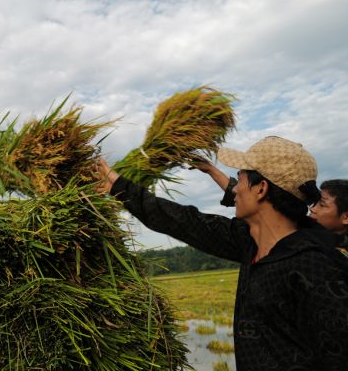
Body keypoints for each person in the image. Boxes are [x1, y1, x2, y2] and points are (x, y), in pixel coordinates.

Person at [97, 136, 348, 371]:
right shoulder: (248, 241)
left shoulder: (319, 269)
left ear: (261, 189)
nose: (235, 190)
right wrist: (117, 185)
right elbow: (182, 220)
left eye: (239, 180)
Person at [195, 160, 348, 254]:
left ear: (346, 217)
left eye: (322, 204)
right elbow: (245, 194)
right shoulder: (300, 231)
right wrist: (210, 169)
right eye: (315, 203)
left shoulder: (329, 259)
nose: (313, 209)